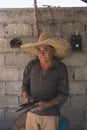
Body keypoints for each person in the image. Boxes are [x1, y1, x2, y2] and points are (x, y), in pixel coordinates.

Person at [20, 32, 70, 130]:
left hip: (50, 114)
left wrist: (46, 105)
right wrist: (25, 95)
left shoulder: (60, 68)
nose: (42, 53)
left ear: (52, 51)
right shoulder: (31, 65)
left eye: (45, 49)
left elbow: (63, 94)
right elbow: (25, 84)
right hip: (32, 112)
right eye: (39, 50)